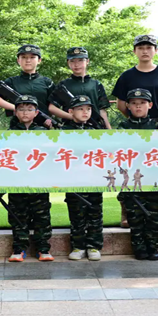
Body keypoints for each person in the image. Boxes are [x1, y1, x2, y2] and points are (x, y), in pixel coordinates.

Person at [111, 34, 158, 228]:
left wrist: (157, 117)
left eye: (149, 47)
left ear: (155, 51)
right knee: (130, 167)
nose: (145, 51)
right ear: (134, 51)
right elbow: (120, 104)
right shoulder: (127, 76)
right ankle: (127, 209)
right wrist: (136, 120)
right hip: (134, 127)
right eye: (141, 47)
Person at [117, 88, 158, 261]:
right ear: (128, 106)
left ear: (150, 105)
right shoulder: (122, 128)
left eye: (142, 103)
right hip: (131, 180)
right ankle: (139, 247)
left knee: (154, 216)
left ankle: (153, 246)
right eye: (134, 103)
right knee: (134, 216)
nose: (138, 106)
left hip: (153, 179)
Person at [7, 95, 54, 262]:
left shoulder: (44, 133)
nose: (25, 112)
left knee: (42, 216)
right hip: (17, 183)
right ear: (15, 112)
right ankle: (19, 248)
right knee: (18, 215)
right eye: (21, 109)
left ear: (36, 113)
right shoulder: (9, 134)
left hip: (39, 182)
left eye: (29, 109)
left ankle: (43, 248)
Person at [62, 95, 104, 261]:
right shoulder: (63, 131)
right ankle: (78, 246)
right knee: (76, 213)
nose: (85, 112)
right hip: (73, 179)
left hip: (94, 178)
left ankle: (94, 246)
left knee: (95, 212)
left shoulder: (96, 130)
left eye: (88, 109)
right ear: (71, 111)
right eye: (80, 109)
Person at [0, 44, 55, 129]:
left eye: (32, 57)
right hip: (17, 127)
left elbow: (53, 105)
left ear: (39, 60)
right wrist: (16, 108)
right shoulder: (11, 81)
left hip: (42, 126)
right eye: (24, 57)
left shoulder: (47, 82)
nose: (28, 60)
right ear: (18, 60)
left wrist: (50, 119)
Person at [49, 47, 112, 129]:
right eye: (72, 61)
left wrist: (109, 130)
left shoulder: (96, 84)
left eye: (80, 60)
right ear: (68, 63)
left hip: (95, 129)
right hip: (70, 129)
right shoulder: (63, 85)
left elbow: (102, 110)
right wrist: (72, 117)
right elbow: (52, 108)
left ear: (87, 61)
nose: (76, 64)